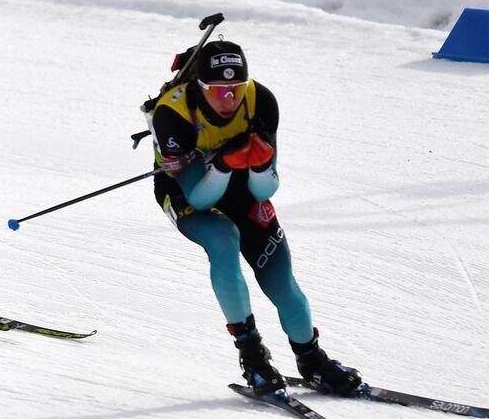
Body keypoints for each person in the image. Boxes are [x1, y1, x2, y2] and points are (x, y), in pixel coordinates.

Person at [147, 40, 363, 395]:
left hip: (240, 187)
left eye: (236, 89)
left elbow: (265, 190)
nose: (228, 99)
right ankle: (253, 355)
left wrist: (261, 164)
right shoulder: (172, 114)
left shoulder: (261, 100)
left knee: (281, 282)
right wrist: (220, 164)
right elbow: (200, 199)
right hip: (185, 189)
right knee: (223, 238)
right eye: (217, 91)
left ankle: (312, 359)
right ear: (199, 89)